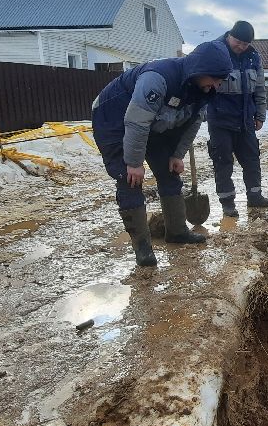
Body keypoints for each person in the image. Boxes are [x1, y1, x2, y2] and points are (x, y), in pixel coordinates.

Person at [91, 40, 233, 266]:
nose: (217, 84)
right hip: (114, 119)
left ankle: (177, 232)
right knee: (129, 179)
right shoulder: (157, 78)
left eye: (221, 80)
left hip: (153, 122)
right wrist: (134, 162)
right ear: (201, 70)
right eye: (215, 78)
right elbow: (136, 122)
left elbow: (193, 123)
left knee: (169, 171)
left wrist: (177, 154)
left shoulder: (203, 89)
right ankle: (143, 250)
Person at [207, 21, 268, 218]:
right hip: (220, 120)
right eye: (237, 42)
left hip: (246, 120)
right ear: (230, 35)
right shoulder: (216, 52)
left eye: (245, 44)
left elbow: (260, 89)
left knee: (252, 160)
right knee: (223, 162)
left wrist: (260, 115)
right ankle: (228, 204)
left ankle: (255, 197)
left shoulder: (254, 57)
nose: (240, 47)